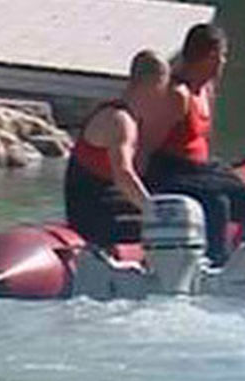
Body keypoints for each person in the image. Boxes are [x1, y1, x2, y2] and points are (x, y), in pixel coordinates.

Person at [145, 23, 245, 264]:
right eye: (223, 56)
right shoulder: (177, 94)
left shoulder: (207, 89)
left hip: (199, 171)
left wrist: (226, 168)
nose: (225, 62)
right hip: (171, 172)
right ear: (212, 57)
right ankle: (216, 262)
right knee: (217, 203)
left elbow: (199, 144)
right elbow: (148, 145)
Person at [64, 50, 170, 246]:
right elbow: (123, 174)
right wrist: (153, 211)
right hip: (93, 217)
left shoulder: (118, 113)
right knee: (168, 229)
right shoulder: (120, 122)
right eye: (163, 89)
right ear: (154, 84)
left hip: (99, 206)